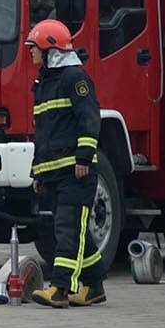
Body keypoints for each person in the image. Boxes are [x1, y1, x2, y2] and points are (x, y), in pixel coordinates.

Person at [25, 19, 107, 308]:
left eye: (34, 48)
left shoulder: (75, 79)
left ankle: (60, 289)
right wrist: (37, 171)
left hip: (76, 170)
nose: (30, 53)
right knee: (76, 230)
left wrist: (84, 157)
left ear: (50, 49)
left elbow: (90, 118)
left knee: (67, 229)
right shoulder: (44, 83)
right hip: (56, 172)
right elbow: (43, 133)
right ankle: (94, 286)